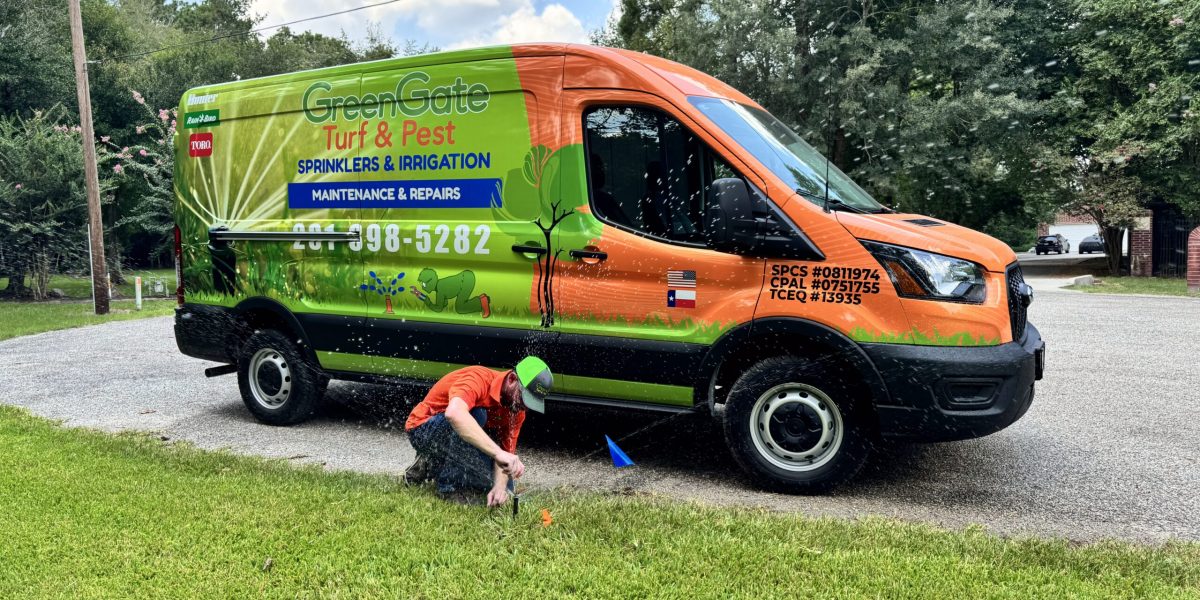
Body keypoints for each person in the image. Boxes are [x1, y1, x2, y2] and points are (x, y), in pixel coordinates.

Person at [403, 356, 553, 506]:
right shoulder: (477, 378)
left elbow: (505, 454)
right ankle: (448, 488)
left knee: (500, 486)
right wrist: (497, 453)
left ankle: (432, 463)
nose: (524, 407)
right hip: (422, 430)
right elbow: (454, 414)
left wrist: (499, 488)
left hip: (458, 437)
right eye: (523, 398)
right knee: (477, 414)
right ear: (512, 379)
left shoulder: (517, 410)